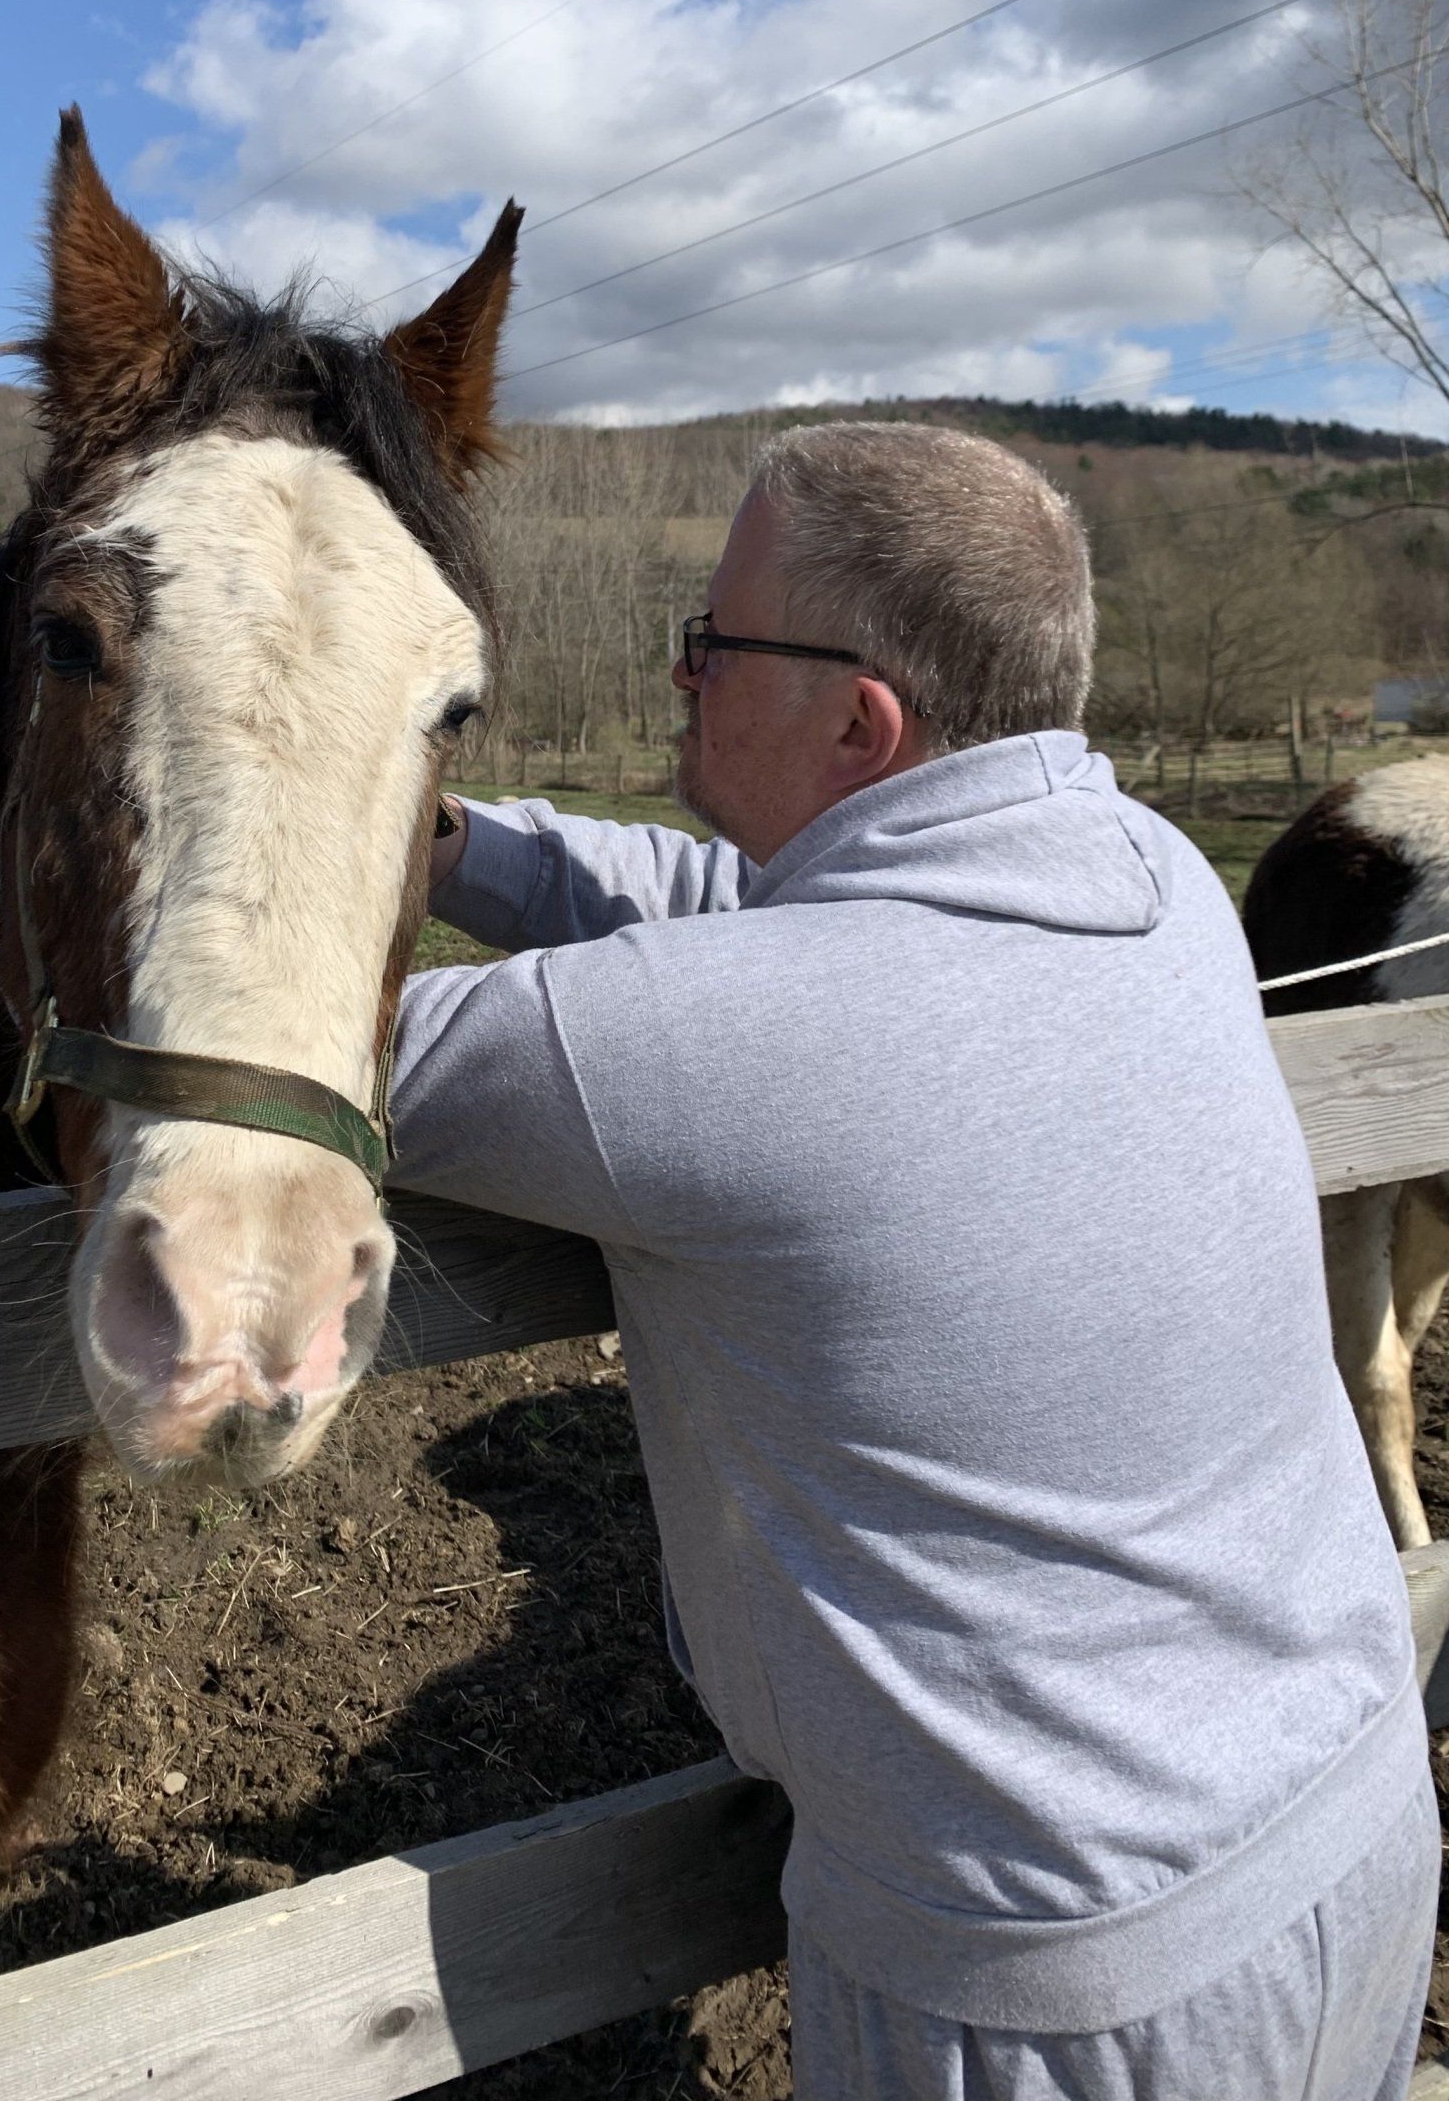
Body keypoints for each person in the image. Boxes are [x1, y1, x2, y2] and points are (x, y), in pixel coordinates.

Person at [387, 420, 1434, 2101]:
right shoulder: (1148, 870)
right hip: (1356, 1823)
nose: (680, 668)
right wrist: (451, 848)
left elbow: (270, 1049)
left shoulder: (709, 1044)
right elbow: (741, 920)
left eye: (714, 643)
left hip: (1056, 1994)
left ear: (859, 721)